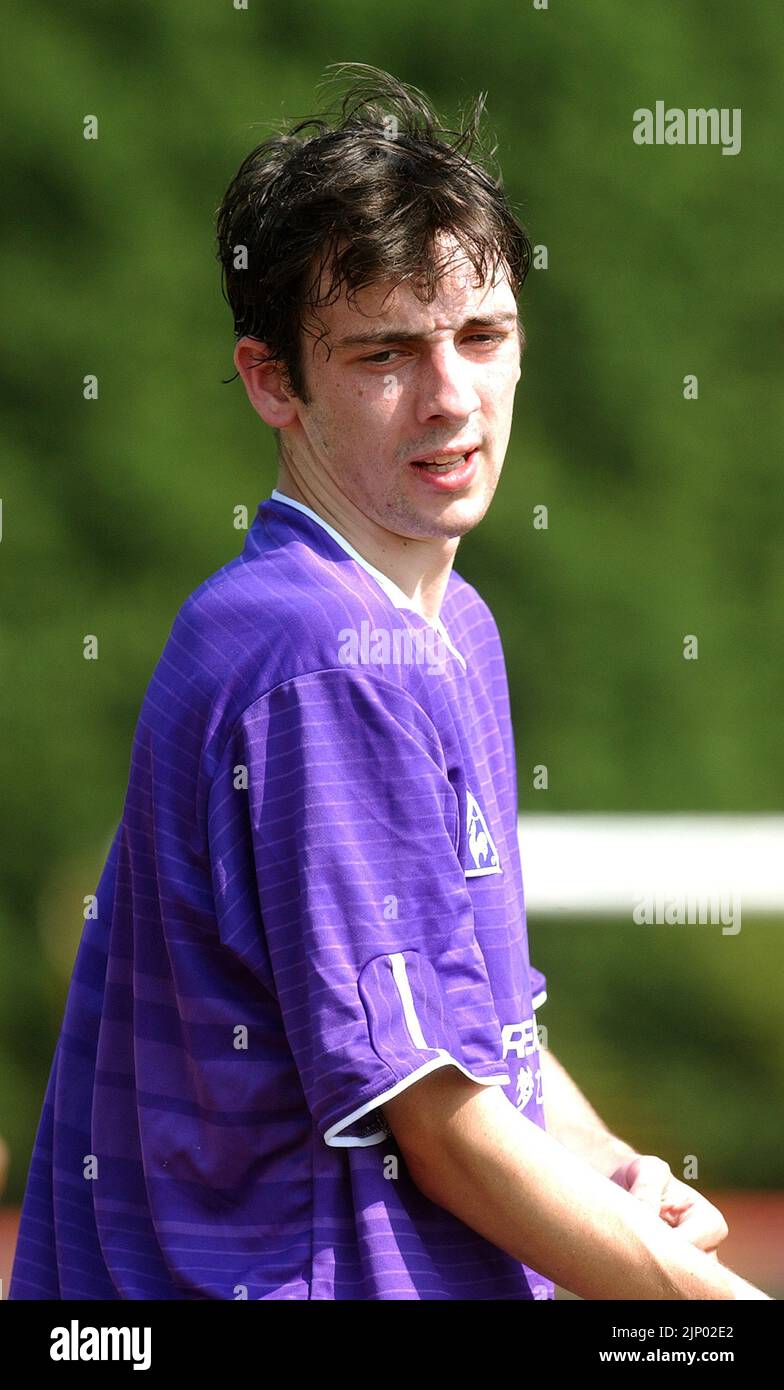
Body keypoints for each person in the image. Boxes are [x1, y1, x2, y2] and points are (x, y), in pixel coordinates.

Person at [8, 64, 769, 1301]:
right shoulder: (319, 658)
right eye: (384, 354)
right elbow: (443, 1127)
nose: (451, 396)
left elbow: (485, 1039)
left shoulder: (442, 622)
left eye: (481, 335)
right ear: (271, 382)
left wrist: (613, 1169)